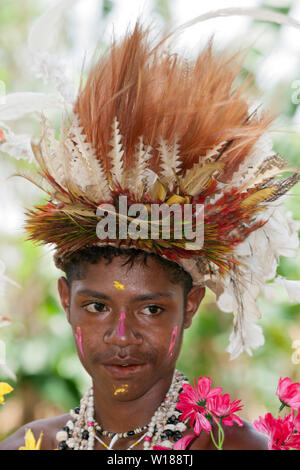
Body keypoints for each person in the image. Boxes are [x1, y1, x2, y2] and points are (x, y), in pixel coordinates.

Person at [0, 8, 299, 451]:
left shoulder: (233, 446)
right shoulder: (29, 445)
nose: (122, 336)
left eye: (152, 310)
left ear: (191, 305)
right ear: (66, 301)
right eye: (97, 306)